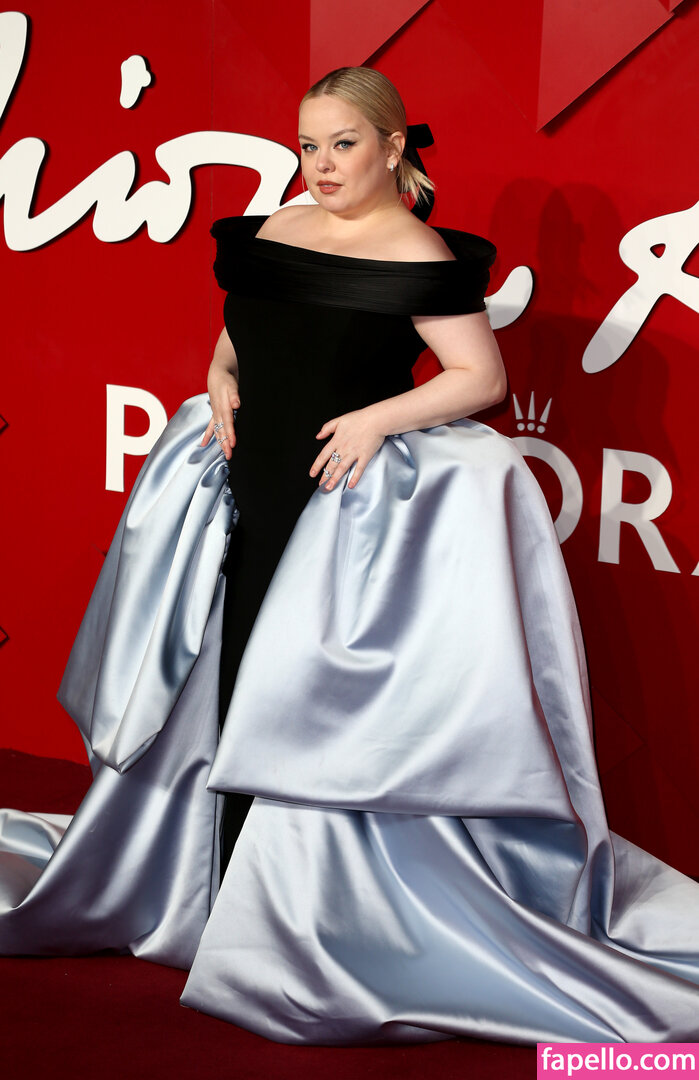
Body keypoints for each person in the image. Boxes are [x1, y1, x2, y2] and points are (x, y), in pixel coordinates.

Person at [1, 66, 699, 1048]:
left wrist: (377, 418)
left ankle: (289, 923)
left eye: (343, 144)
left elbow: (480, 377)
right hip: (249, 489)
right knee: (221, 687)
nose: (322, 165)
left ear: (391, 147)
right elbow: (243, 335)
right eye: (308, 145)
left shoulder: (416, 251)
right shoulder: (278, 228)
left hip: (333, 510)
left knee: (297, 708)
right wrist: (221, 376)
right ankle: (208, 897)